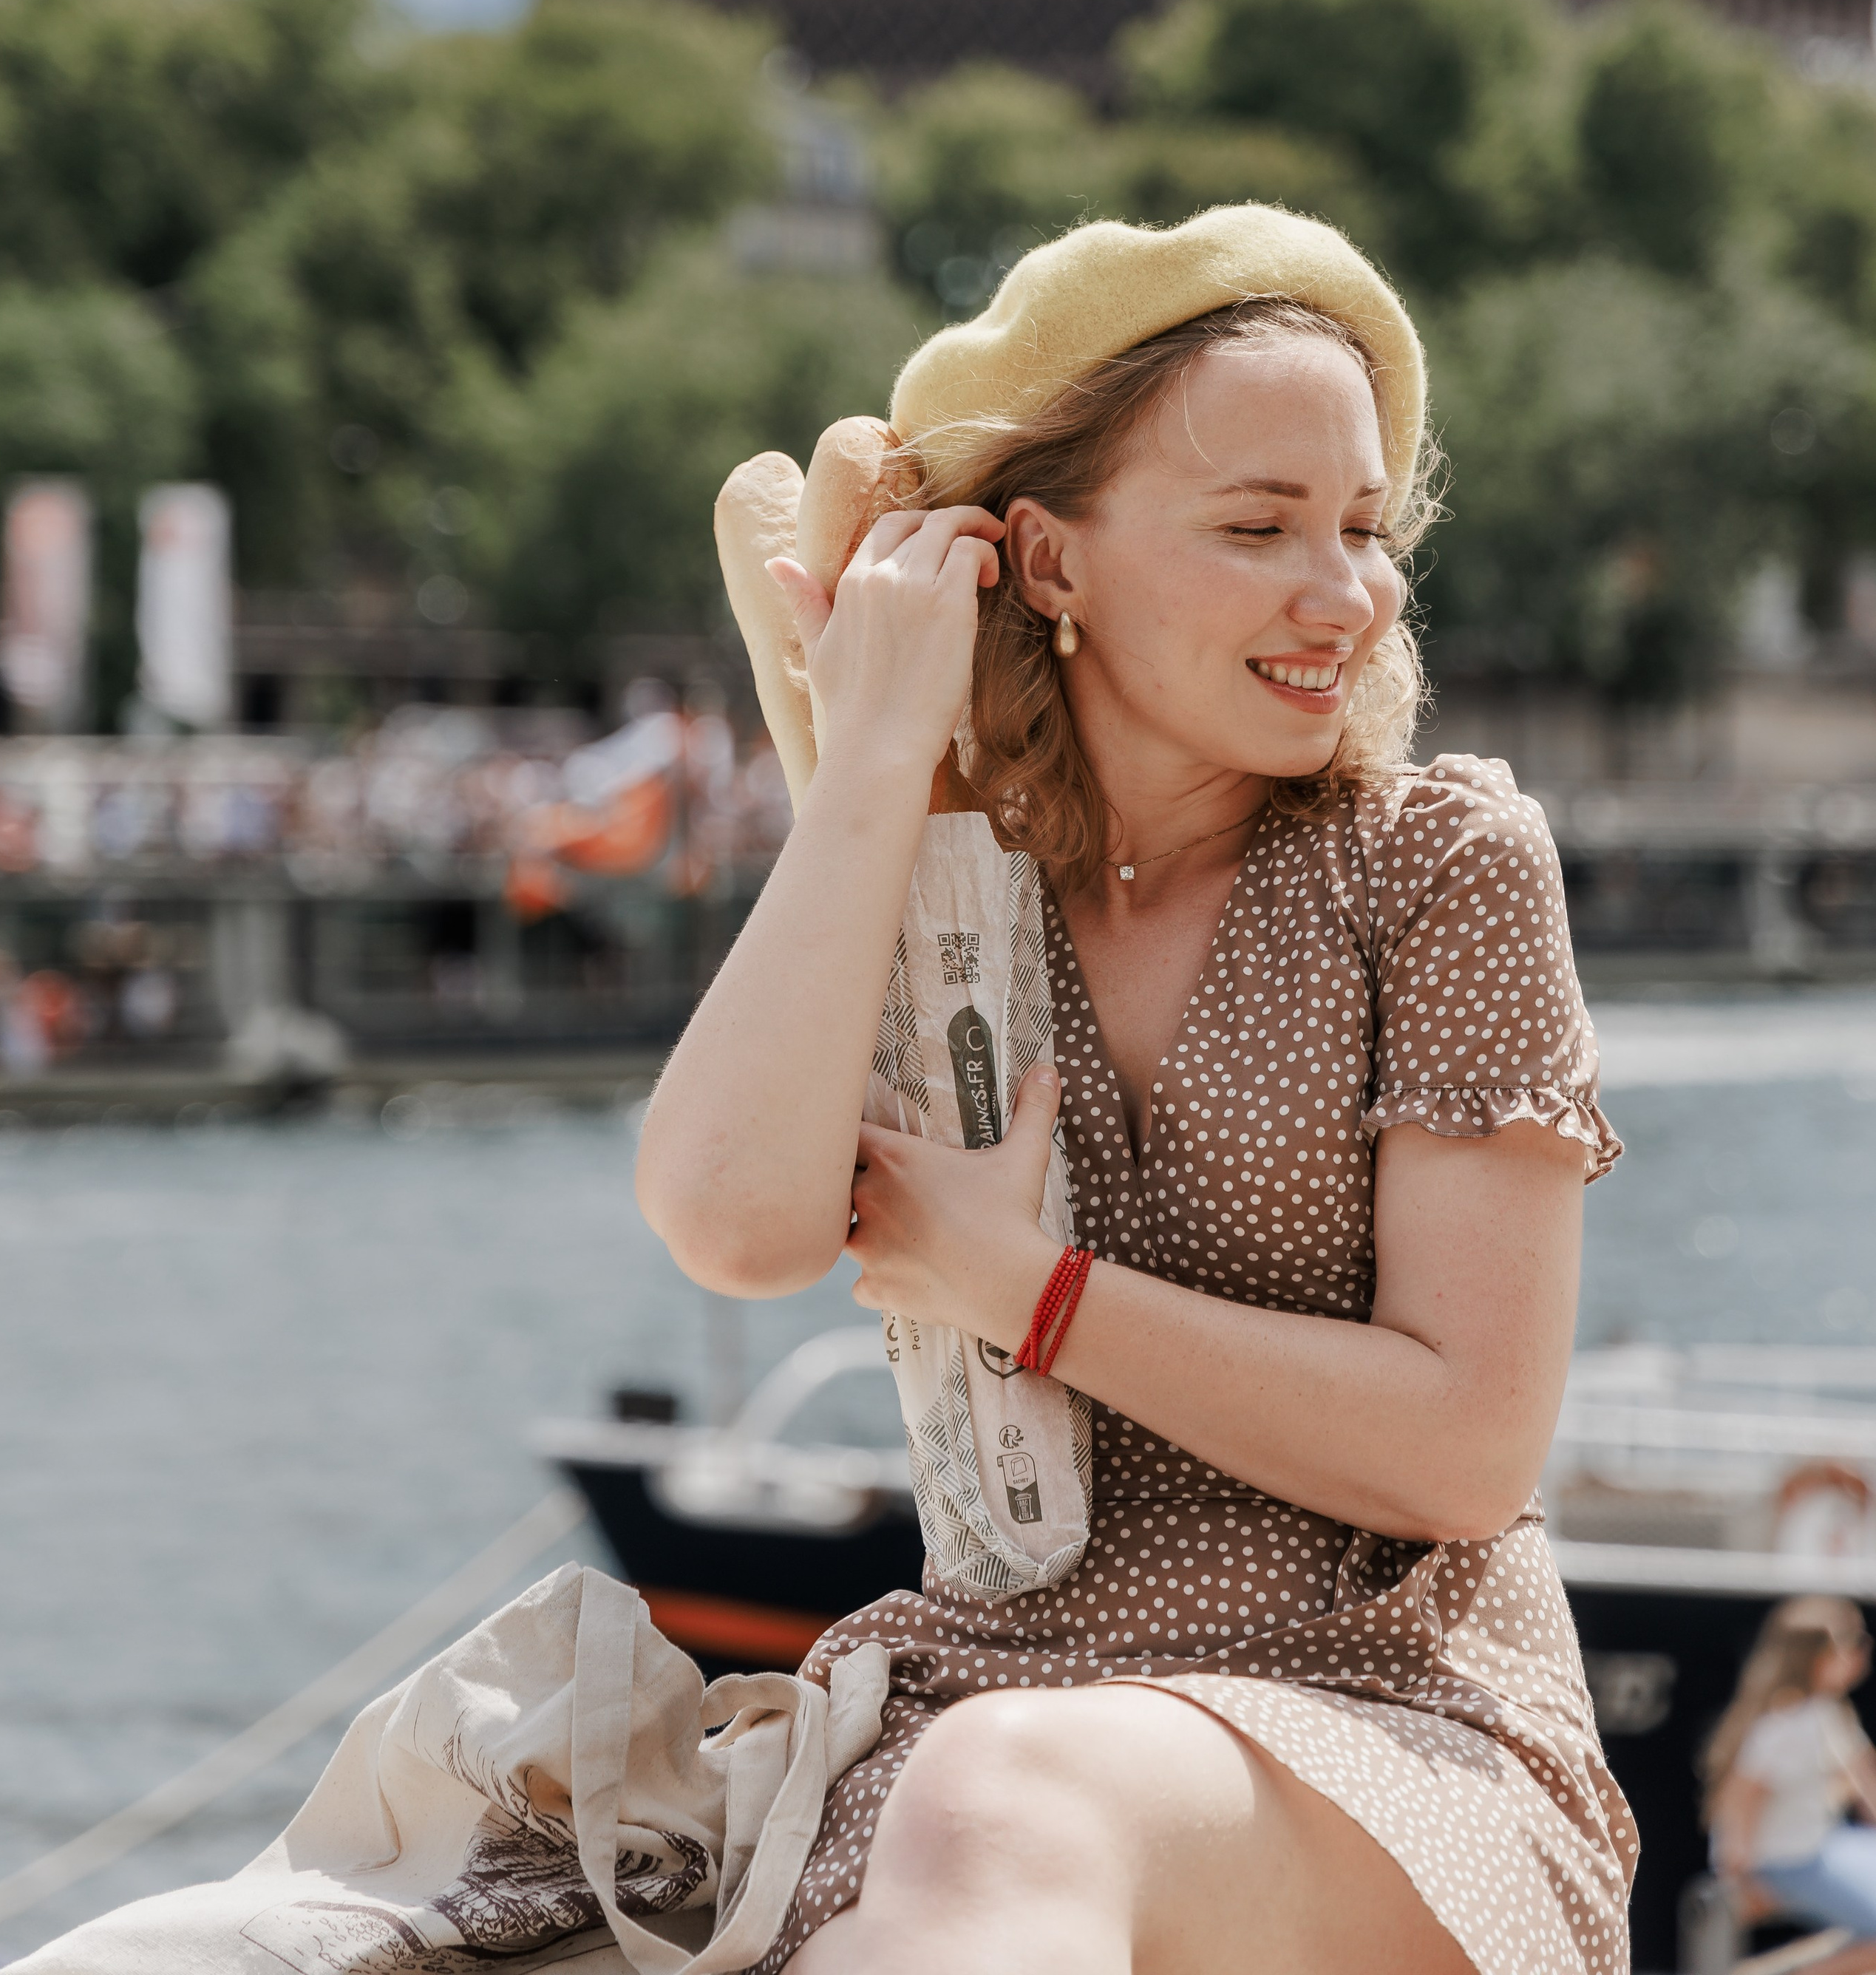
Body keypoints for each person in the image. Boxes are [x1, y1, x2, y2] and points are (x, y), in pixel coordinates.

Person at [639, 207, 1636, 1975]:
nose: (1338, 589)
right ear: (1042, 560)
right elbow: (727, 1220)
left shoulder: (1434, 860)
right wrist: (871, 751)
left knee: (998, 1802)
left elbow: (1463, 1448)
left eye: (1358, 525)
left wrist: (1017, 1286)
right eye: (1255, 527)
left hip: (1397, 1713)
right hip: (991, 1689)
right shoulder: (941, 891)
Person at [1705, 1596, 1876, 1966]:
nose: (1863, 1653)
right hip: (1784, 1861)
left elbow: (1864, 1792)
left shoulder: (1829, 1714)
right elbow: (1741, 1799)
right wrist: (1739, 1875)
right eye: (1854, 1642)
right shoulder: (1791, 1724)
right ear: (1818, 1656)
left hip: (1820, 1848)